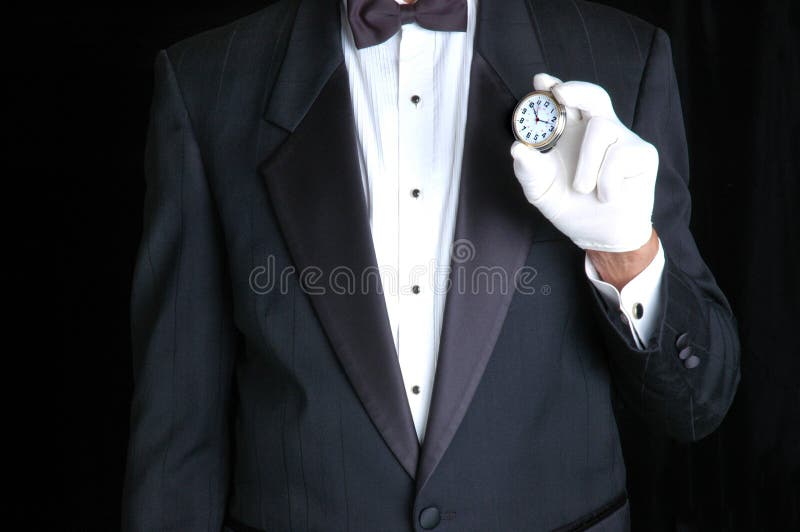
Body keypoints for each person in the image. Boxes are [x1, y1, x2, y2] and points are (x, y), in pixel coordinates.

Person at [122, 0, 741, 530]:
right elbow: (178, 438)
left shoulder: (621, 58)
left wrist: (625, 249)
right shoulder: (205, 84)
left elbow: (696, 405)